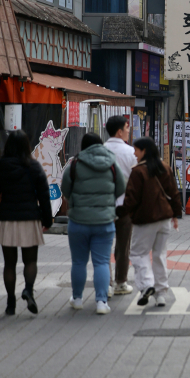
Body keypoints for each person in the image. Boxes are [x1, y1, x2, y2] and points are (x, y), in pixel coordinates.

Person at [61, 133, 125, 315]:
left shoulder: (74, 163)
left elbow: (65, 188)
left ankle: (78, 299)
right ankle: (101, 302)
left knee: (79, 262)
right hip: (104, 222)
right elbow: (121, 186)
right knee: (102, 262)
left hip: (78, 221)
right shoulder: (112, 163)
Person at [117, 136, 181, 307]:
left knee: (138, 254)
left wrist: (120, 213)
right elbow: (174, 193)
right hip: (165, 219)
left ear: (144, 150)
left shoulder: (138, 172)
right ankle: (161, 294)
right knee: (159, 256)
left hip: (145, 220)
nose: (134, 154)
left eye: (136, 150)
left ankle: (147, 286)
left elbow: (131, 199)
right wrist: (175, 214)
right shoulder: (165, 167)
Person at [0, 130, 53, 316]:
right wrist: (47, 220)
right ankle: (28, 291)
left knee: (9, 264)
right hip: (30, 218)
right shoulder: (34, 166)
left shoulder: (2, 166)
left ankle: (10, 303)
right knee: (30, 260)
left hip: (6, 219)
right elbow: (44, 197)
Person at [104, 115, 137, 296]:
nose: (128, 130)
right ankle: (120, 282)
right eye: (126, 127)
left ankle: (106, 283)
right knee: (123, 245)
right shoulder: (131, 153)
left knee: (103, 245)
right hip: (125, 204)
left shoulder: (101, 150)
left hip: (104, 204)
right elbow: (135, 181)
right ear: (119, 131)